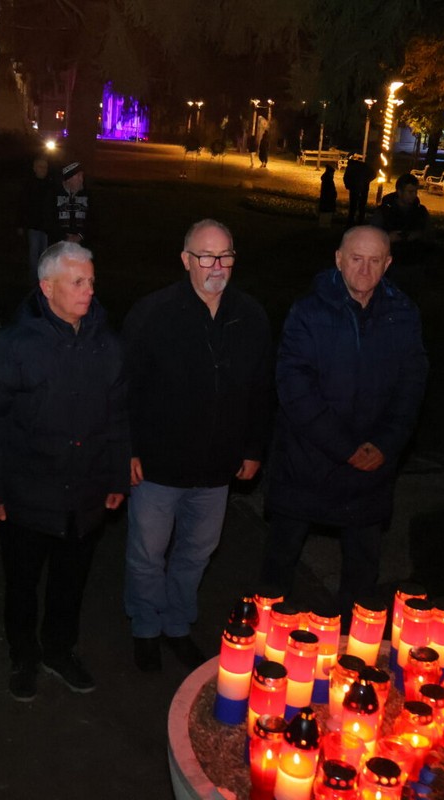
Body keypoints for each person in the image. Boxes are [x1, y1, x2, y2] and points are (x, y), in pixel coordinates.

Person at [0, 241, 129, 701]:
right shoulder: (13, 347)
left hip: (85, 494)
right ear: (47, 287)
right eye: (77, 282)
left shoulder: (107, 346)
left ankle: (60, 649)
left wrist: (116, 477)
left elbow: (118, 418)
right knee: (22, 582)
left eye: (91, 281)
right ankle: (24, 655)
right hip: (26, 495)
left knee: (70, 582)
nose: (88, 291)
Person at [123, 219, 273, 673]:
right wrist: (126, 448)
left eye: (225, 255)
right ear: (186, 259)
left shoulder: (250, 316)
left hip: (216, 468)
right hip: (157, 465)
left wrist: (253, 447)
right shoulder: (152, 314)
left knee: (195, 553)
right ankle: (146, 629)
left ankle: (177, 625)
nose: (217, 266)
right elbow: (124, 387)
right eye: (206, 256)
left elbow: (262, 389)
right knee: (147, 554)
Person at [261, 226, 428, 628]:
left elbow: (412, 386)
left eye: (375, 261)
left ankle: (352, 655)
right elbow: (295, 389)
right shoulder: (308, 312)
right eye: (356, 258)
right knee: (279, 565)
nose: (365, 269)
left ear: (388, 263)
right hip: (307, 463)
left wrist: (385, 445)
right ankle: (264, 644)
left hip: (370, 471)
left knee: (362, 574)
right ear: (338, 259)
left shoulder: (403, 315)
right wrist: (345, 447)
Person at [371, 172, 432, 295]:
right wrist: (387, 238)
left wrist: (417, 235)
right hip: (390, 267)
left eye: (415, 192)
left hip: (414, 265)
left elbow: (430, 235)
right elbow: (370, 237)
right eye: (410, 192)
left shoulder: (420, 212)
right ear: (399, 192)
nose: (413, 195)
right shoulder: (384, 211)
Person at [17, 155, 55, 278]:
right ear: (35, 168)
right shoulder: (29, 184)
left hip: (46, 225)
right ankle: (34, 278)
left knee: (45, 253)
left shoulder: (50, 184)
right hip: (33, 224)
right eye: (40, 167)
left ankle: (42, 278)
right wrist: (21, 224)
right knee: (34, 253)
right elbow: (22, 204)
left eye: (45, 167)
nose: (43, 170)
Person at [53, 161, 90, 245]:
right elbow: (50, 220)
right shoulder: (54, 194)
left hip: (81, 246)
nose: (81, 179)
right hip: (59, 245)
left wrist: (80, 236)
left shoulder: (87, 195)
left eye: (82, 176)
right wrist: (65, 237)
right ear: (69, 179)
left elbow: (92, 219)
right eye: (78, 176)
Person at [343, 154, 375, 225]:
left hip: (354, 188)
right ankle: (360, 220)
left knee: (353, 205)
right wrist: (367, 181)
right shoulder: (365, 166)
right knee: (362, 205)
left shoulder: (350, 167)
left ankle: (351, 221)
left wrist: (348, 186)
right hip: (364, 187)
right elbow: (373, 174)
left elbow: (345, 177)